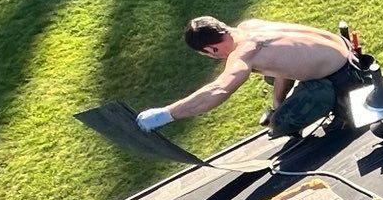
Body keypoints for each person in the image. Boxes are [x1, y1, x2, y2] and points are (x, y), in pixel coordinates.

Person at [136, 17, 365, 139]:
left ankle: (343, 107)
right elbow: (283, 68)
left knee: (281, 123)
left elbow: (218, 91)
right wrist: (277, 104)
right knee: (270, 79)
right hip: (350, 56)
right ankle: (324, 98)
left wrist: (166, 115)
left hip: (346, 79)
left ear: (211, 50)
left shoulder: (244, 53)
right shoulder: (250, 25)